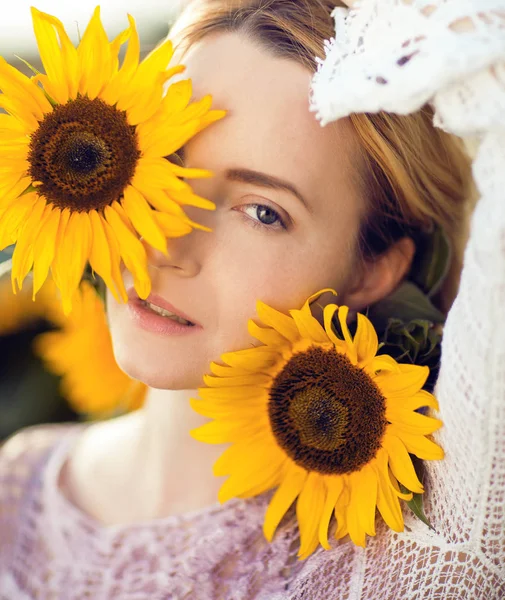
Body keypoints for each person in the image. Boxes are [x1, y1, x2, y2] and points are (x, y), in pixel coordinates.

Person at [0, 0, 504, 598]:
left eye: (263, 212)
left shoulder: (414, 553)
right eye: (165, 165)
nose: (167, 245)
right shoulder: (18, 487)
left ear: (373, 267)